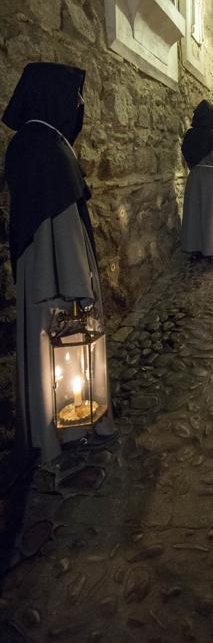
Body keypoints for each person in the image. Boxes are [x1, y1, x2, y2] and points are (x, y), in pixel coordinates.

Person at [3, 63, 115, 464]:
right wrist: (80, 286)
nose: (80, 105)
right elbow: (61, 224)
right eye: (76, 97)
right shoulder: (45, 147)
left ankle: (56, 425)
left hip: (46, 263)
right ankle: (66, 428)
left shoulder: (36, 141)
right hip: (56, 268)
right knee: (59, 337)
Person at [181, 101, 213, 262]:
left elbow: (186, 155)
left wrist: (195, 168)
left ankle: (194, 249)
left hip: (195, 176)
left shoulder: (189, 135)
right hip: (210, 178)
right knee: (211, 216)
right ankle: (212, 250)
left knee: (194, 214)